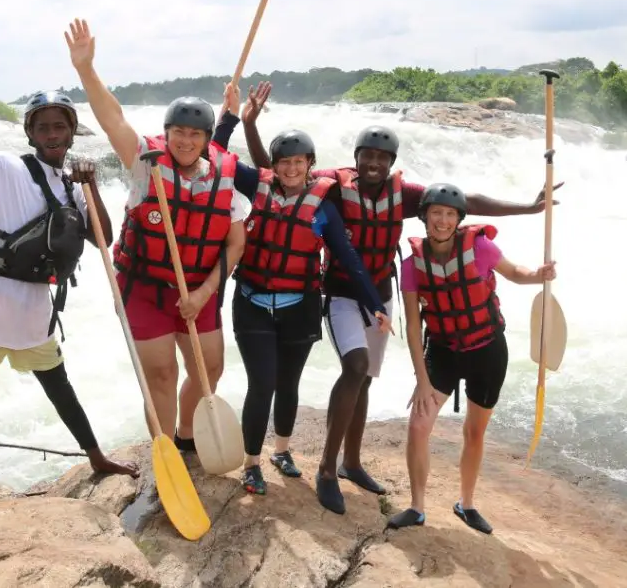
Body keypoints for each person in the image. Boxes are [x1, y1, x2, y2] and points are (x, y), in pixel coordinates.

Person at [235, 82, 563, 514]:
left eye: (381, 158)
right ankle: (328, 470)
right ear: (356, 159)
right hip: (339, 294)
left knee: (366, 377)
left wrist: (526, 207)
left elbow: (465, 201)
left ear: (391, 163)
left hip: (381, 295)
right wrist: (250, 126)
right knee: (353, 367)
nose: (373, 164)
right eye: (366, 156)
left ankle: (352, 461)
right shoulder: (332, 184)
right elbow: (274, 175)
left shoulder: (404, 196)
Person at [0, 43, 139, 484]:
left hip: (35, 314)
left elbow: (104, 238)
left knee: (61, 389)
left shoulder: (73, 187)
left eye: (60, 127)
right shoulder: (5, 171)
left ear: (72, 134)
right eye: (44, 128)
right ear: (31, 134)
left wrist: (91, 186)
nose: (53, 134)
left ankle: (96, 458)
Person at [64, 19, 248, 449]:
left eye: (195, 134)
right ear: (167, 134)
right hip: (144, 287)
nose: (185, 140)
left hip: (198, 288)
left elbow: (235, 243)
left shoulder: (223, 174)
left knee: (211, 369)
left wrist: (203, 294)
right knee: (162, 373)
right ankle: (163, 453)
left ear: (206, 139)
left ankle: (187, 436)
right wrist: (86, 70)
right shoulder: (145, 164)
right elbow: (113, 120)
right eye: (178, 132)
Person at [212, 111, 391, 495]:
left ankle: (282, 451)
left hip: (300, 305)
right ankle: (252, 463)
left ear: (311, 165)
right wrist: (229, 119)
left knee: (289, 383)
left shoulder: (323, 208)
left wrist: (374, 302)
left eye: (299, 162)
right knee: (262, 384)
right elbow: (215, 154)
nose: (292, 168)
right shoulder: (255, 185)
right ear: (273, 166)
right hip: (252, 301)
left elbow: (347, 256)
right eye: (285, 162)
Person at [387, 183, 556, 534]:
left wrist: (540, 275)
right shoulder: (411, 265)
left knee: (475, 433)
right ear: (425, 217)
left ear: (459, 219)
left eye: (450, 214)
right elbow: (414, 329)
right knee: (418, 427)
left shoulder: (480, 247)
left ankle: (466, 504)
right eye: (436, 213)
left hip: (488, 351)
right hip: (443, 352)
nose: (443, 221)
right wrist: (421, 380)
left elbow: (515, 274)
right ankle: (417, 507)